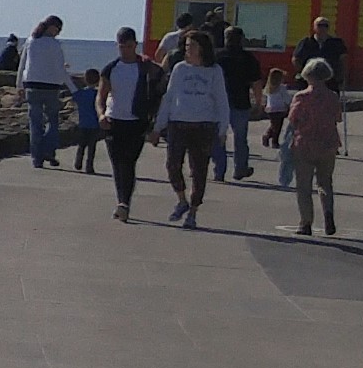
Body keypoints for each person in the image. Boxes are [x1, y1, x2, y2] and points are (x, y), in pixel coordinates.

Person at [157, 30, 231, 227]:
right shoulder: (180, 69)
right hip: (178, 123)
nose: (188, 49)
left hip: (204, 125)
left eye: (192, 46)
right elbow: (169, 96)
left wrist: (223, 129)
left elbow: (221, 101)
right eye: (186, 46)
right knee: (173, 165)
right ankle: (181, 200)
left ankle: (193, 211)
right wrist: (158, 125)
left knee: (198, 170)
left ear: (202, 48)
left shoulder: (214, 71)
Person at [277, 53, 347, 236]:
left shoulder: (301, 97)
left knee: (304, 185)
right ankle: (328, 214)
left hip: (305, 144)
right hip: (328, 143)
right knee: (325, 183)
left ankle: (305, 222)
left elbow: (293, 119)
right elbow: (337, 118)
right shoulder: (332, 96)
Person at [97, 27, 158, 220]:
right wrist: (101, 115)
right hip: (114, 120)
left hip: (137, 121)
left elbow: (162, 85)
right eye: (122, 46)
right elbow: (101, 96)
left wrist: (155, 120)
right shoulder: (110, 68)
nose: (125, 50)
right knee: (117, 163)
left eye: (129, 46)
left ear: (135, 45)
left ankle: (124, 201)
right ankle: (122, 202)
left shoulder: (145, 66)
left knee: (128, 162)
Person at [21, 13, 76, 169]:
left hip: (32, 85)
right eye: (58, 29)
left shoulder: (31, 41)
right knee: (52, 121)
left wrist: (19, 85)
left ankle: (36, 157)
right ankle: (48, 150)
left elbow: (23, 64)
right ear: (52, 27)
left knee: (35, 123)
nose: (58, 32)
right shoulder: (54, 45)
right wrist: (73, 89)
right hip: (51, 86)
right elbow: (60, 69)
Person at [217, 22, 265, 182]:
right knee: (240, 138)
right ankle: (240, 168)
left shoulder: (217, 56)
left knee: (219, 136)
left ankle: (219, 170)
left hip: (219, 102)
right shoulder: (248, 58)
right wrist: (259, 103)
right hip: (240, 101)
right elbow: (256, 83)